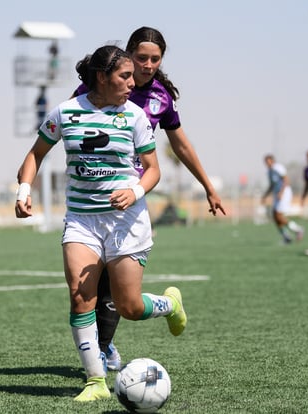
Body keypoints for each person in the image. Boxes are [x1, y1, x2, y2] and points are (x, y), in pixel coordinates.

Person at [15, 45, 187, 402]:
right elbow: (35, 154)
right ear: (101, 77)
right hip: (81, 221)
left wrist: (136, 190)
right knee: (81, 298)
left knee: (130, 307)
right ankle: (96, 382)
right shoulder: (66, 113)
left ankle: (170, 304)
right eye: (124, 76)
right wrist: (23, 188)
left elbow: (153, 169)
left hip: (127, 222)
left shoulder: (136, 116)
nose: (132, 81)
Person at [73, 26, 226, 371]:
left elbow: (181, 144)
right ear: (127, 56)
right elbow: (72, 123)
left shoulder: (159, 98)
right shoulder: (94, 88)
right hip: (92, 199)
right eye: (141, 58)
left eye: (155, 59)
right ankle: (104, 347)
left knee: (112, 284)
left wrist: (208, 186)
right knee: (89, 282)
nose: (148, 65)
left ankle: (104, 346)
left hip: (129, 199)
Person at [261, 154, 304, 244]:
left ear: (272, 161)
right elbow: (272, 185)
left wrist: (281, 192)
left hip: (284, 193)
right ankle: (286, 237)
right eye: (266, 162)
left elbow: (286, 180)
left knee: (279, 215)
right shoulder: (269, 171)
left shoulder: (278, 168)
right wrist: (265, 195)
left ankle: (298, 229)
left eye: (268, 161)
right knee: (275, 216)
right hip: (277, 194)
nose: (267, 163)